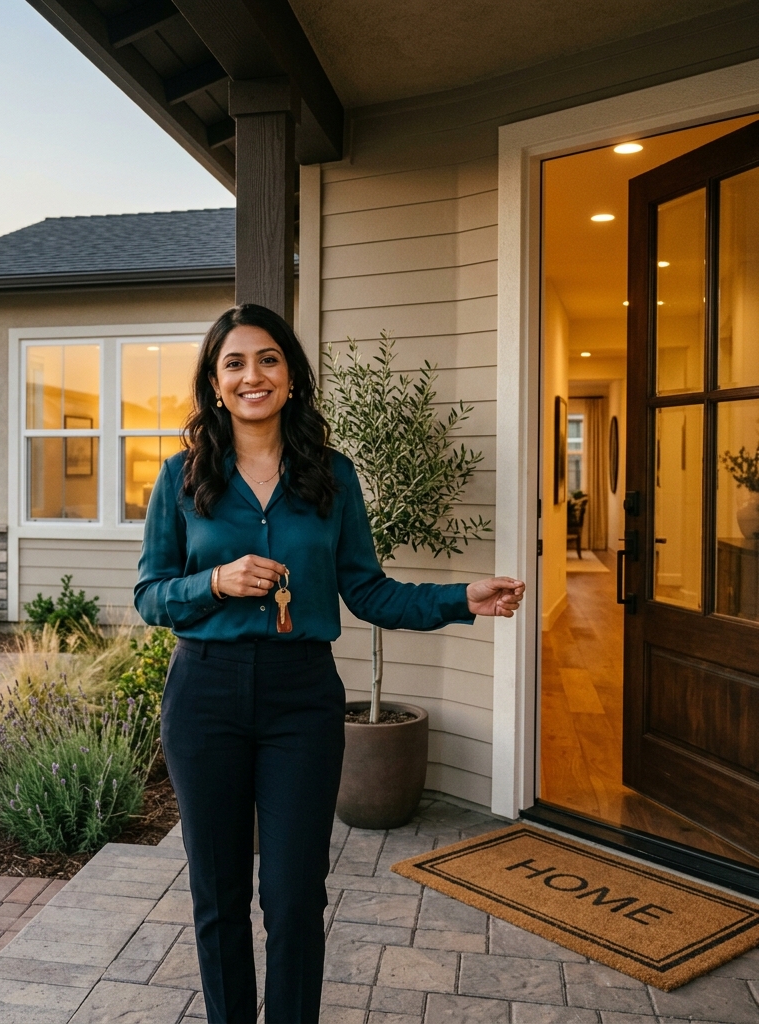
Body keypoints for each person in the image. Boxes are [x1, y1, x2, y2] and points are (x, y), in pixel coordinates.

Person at [134, 304, 525, 1024]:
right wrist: (213, 582)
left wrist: (462, 596)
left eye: (269, 359)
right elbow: (150, 597)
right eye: (235, 363)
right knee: (217, 893)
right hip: (205, 696)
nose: (253, 375)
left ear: (291, 375)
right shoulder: (182, 478)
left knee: (293, 895)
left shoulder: (332, 477)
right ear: (215, 384)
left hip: (301, 700)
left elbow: (370, 590)